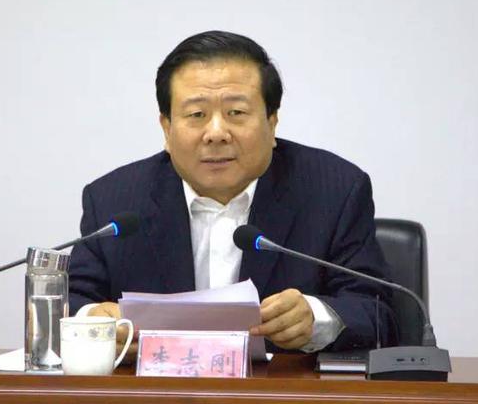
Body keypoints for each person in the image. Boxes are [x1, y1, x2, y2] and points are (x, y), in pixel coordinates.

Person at [68, 31, 398, 363]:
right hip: (158, 388)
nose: (216, 133)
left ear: (272, 122)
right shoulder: (113, 201)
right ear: (166, 128)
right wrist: (93, 322)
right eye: (196, 115)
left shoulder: (334, 191)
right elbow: (70, 301)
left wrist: (315, 318)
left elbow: (377, 311)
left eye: (236, 112)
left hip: (279, 388)